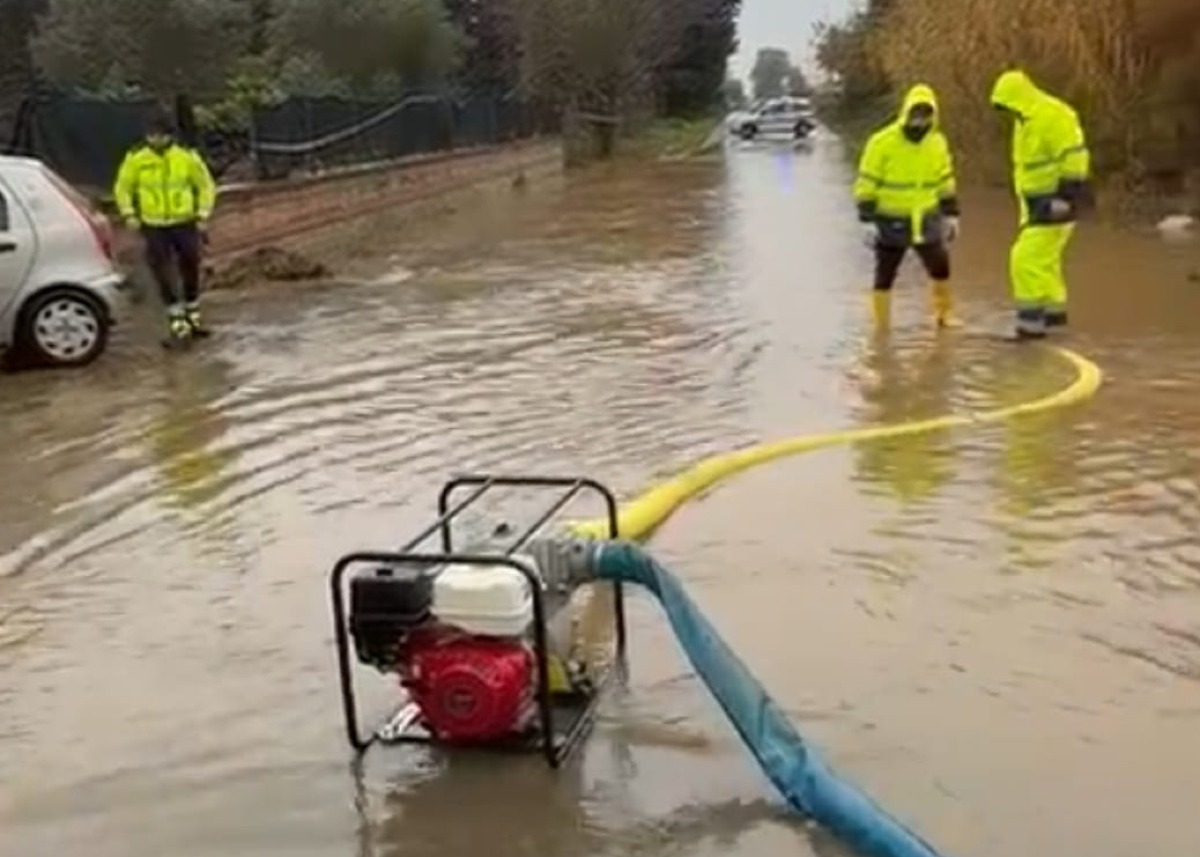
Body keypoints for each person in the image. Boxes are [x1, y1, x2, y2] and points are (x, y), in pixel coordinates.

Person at [989, 69, 1091, 339]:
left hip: (1055, 203)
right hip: (1036, 205)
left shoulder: (1054, 116)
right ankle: (1054, 321)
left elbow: (1074, 157)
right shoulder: (1024, 121)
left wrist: (1066, 198)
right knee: (1046, 262)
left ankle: (1030, 326)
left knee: (1024, 259)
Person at [854, 84, 961, 334]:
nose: (920, 121)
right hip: (890, 220)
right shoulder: (881, 142)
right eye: (916, 114)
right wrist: (866, 220)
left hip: (927, 219)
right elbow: (866, 184)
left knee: (940, 266)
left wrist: (952, 215)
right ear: (906, 112)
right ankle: (881, 327)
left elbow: (945, 181)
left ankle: (944, 316)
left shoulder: (937, 142)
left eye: (925, 115)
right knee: (885, 273)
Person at [114, 110, 217, 343]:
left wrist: (203, 214)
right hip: (153, 224)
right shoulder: (136, 159)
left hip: (184, 221)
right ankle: (176, 319)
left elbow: (205, 186)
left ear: (170, 135)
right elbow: (123, 188)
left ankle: (193, 312)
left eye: (161, 135)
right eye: (152, 135)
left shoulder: (186, 157)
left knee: (190, 264)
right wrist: (129, 214)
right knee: (161, 270)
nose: (156, 139)